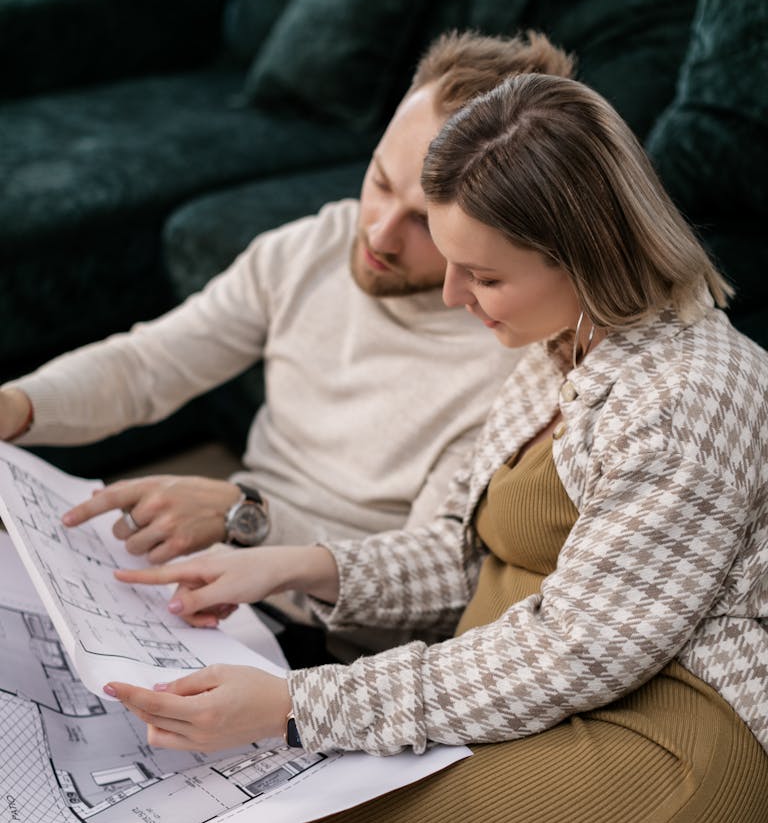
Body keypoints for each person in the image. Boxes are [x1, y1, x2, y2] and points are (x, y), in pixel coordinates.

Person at [101, 73, 768, 823]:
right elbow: (460, 555)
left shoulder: (691, 395)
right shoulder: (560, 348)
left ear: (584, 252)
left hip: (663, 773)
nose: (454, 298)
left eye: (484, 277)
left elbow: (571, 655)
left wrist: (292, 706)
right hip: (542, 726)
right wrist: (287, 564)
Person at [0, 31, 572, 571]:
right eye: (378, 182)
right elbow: (147, 365)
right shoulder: (315, 245)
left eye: (424, 222)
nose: (377, 234)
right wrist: (19, 404)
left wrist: (248, 516)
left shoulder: (512, 359)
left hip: (326, 624)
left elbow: (429, 571)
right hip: (228, 553)